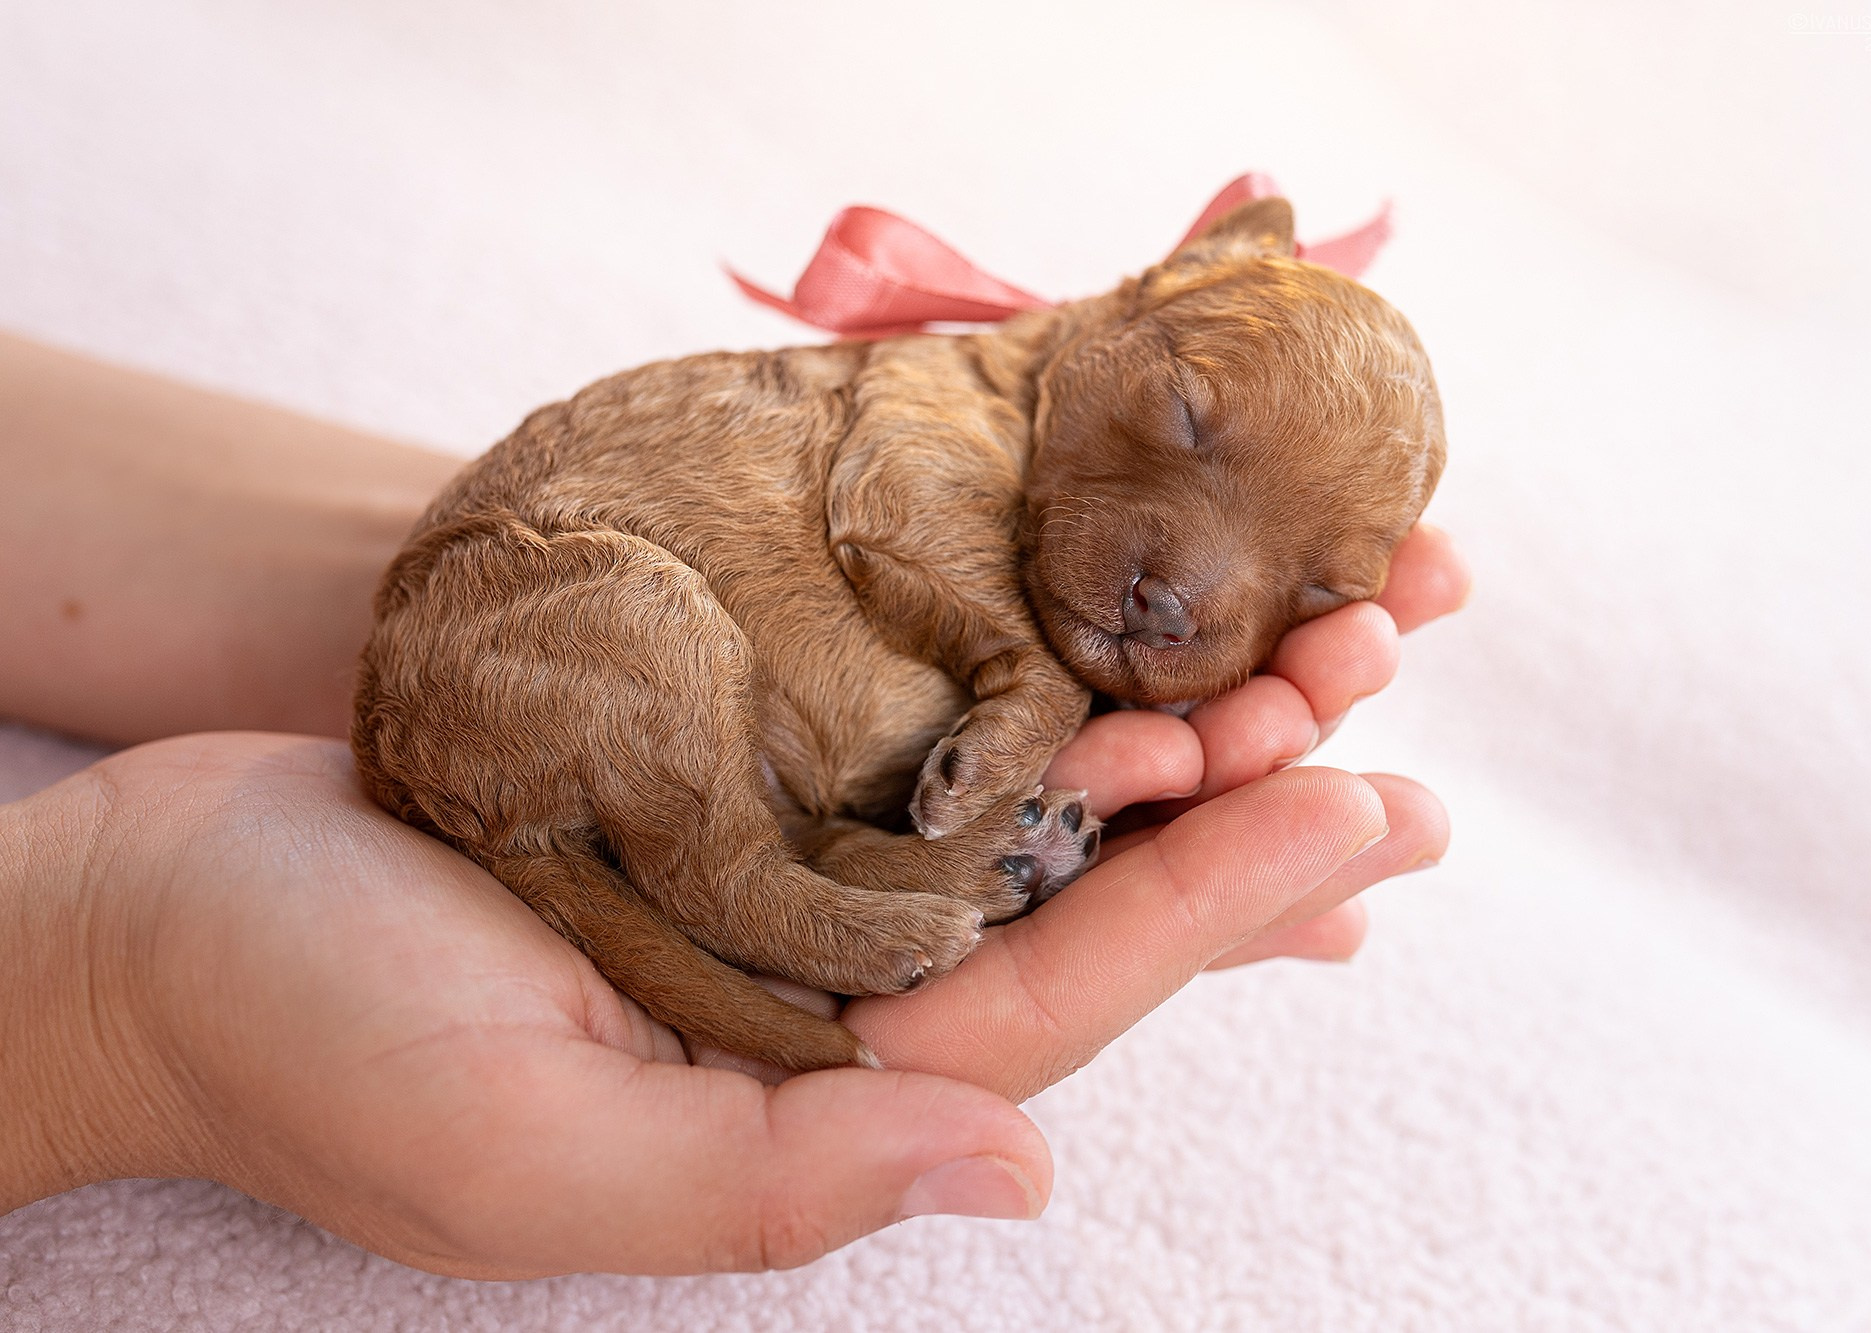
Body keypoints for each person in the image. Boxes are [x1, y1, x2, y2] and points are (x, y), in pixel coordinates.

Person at [0, 332, 1468, 1278]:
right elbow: (890, 504)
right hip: (582, 622)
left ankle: (815, 849)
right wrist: (93, 977)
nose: (1188, 585)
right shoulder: (940, 405)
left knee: (690, 681)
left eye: (1317, 585)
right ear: (1142, 303)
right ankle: (765, 896)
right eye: (1188, 410)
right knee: (649, 649)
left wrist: (375, 585)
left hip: (563, 637)